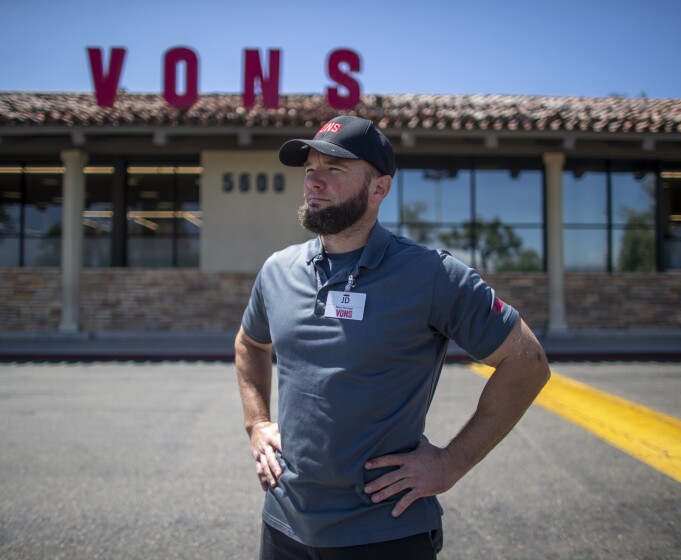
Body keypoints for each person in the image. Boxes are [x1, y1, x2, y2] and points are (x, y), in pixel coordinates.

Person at [235, 115, 551, 559]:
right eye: (310, 170)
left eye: (335, 170)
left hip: (384, 533)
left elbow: (528, 363)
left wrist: (451, 462)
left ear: (380, 188)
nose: (314, 182)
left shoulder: (432, 275)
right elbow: (250, 343)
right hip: (285, 525)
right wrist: (257, 423)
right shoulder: (278, 271)